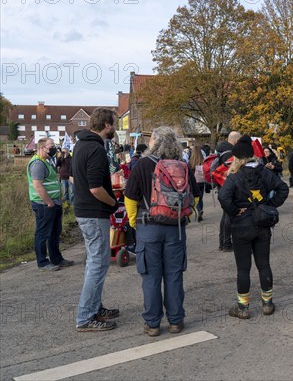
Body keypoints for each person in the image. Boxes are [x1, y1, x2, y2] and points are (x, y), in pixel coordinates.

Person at [124, 127, 201, 337]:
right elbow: (195, 196)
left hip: (148, 228)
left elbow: (130, 197)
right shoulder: (183, 166)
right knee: (174, 275)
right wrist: (186, 215)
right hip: (175, 229)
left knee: (150, 277)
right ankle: (176, 321)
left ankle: (153, 324)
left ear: (155, 143)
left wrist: (134, 222)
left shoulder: (142, 165)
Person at [218, 135, 289, 319]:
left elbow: (223, 197)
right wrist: (270, 205)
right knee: (264, 264)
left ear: (237, 158)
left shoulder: (234, 176)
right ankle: (267, 303)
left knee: (243, 268)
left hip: (241, 227)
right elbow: (283, 188)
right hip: (262, 224)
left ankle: (243, 307)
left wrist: (234, 211)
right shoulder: (263, 171)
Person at [72, 107, 121, 332]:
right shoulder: (95, 148)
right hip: (93, 212)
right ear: (107, 125)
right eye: (115, 122)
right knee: (97, 264)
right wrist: (113, 202)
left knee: (97, 263)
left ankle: (94, 307)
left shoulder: (82, 144)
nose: (117, 126)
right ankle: (85, 317)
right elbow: (95, 188)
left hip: (86, 211)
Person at [27, 137, 73, 271]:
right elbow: (37, 185)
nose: (54, 148)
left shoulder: (46, 162)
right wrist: (49, 203)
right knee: (43, 233)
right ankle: (42, 262)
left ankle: (56, 258)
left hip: (54, 203)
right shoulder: (37, 164)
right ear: (42, 148)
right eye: (51, 146)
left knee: (54, 232)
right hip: (44, 205)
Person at [215, 131, 241, 252]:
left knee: (225, 214)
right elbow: (231, 171)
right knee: (229, 215)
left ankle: (222, 242)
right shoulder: (230, 153)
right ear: (235, 140)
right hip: (227, 187)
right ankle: (226, 243)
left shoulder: (220, 150)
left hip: (221, 186)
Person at [189, 145, 205, 221]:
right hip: (202, 181)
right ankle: (200, 209)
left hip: (194, 182)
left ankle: (199, 210)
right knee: (201, 197)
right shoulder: (203, 160)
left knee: (197, 197)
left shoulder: (190, 162)